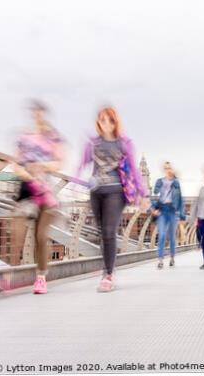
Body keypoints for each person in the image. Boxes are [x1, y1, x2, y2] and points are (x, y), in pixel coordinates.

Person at [77, 106, 149, 292]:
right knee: (102, 232)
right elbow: (82, 164)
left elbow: (133, 170)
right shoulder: (93, 143)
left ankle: (108, 274)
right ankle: (108, 269)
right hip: (96, 191)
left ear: (115, 122)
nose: (106, 124)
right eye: (102, 120)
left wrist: (143, 194)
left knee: (109, 231)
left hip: (116, 192)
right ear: (98, 122)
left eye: (110, 120)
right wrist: (75, 182)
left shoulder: (124, 143)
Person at [11, 100, 64, 294]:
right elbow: (16, 164)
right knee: (19, 234)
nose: (36, 117)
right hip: (28, 190)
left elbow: (60, 162)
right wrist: (27, 174)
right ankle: (12, 276)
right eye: (33, 114)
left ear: (44, 115)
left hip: (47, 193)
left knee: (41, 235)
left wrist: (43, 167)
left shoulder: (53, 137)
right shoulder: (24, 138)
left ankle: (41, 278)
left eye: (39, 114)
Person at [152, 161, 186, 269]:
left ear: (171, 169)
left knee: (171, 237)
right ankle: (160, 260)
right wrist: (153, 208)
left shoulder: (176, 183)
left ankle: (172, 257)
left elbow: (180, 199)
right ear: (164, 170)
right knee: (161, 235)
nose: (168, 170)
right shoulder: (159, 182)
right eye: (166, 168)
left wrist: (181, 215)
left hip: (172, 211)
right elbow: (154, 195)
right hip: (162, 211)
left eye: (169, 168)